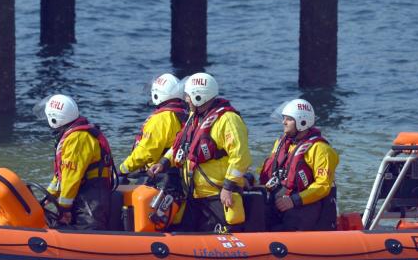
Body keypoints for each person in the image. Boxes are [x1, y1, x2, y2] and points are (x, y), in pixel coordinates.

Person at [148, 73, 251, 232]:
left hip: (218, 194)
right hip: (194, 194)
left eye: (188, 96)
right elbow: (180, 146)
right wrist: (163, 163)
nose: (186, 99)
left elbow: (240, 157)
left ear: (198, 97)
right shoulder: (194, 117)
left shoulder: (228, 120)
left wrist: (228, 187)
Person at [259, 99, 340, 231]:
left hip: (305, 206)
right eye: (284, 118)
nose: (283, 122)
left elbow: (322, 186)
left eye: (289, 119)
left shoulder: (321, 149)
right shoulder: (282, 143)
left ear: (302, 122)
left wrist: (294, 201)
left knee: (285, 225)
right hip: (281, 200)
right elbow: (270, 170)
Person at [44, 94, 117, 230]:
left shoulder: (77, 138)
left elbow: (71, 176)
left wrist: (64, 208)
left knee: (88, 231)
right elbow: (62, 176)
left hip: (91, 197)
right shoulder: (75, 135)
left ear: (54, 119)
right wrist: (48, 195)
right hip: (85, 193)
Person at [118, 73, 188, 175]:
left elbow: (145, 152)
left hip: (162, 173)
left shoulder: (161, 118)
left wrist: (122, 169)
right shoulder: (184, 113)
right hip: (178, 171)